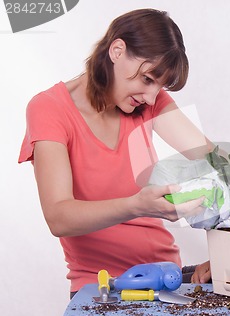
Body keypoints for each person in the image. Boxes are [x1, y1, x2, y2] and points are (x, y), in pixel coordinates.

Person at [18, 9, 213, 295]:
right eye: (147, 79)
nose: (150, 97)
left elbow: (211, 159)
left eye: (159, 87)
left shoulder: (148, 101)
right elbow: (58, 217)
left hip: (165, 279)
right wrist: (137, 205)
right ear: (117, 50)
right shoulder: (50, 109)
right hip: (102, 288)